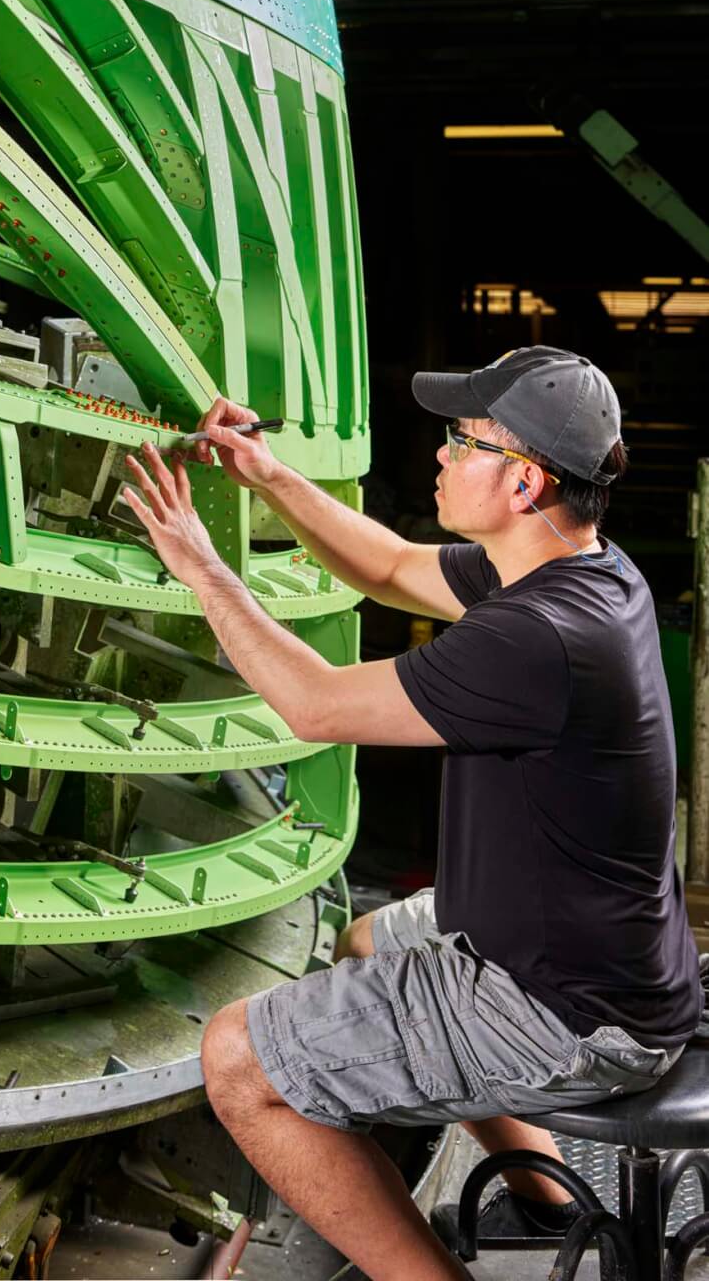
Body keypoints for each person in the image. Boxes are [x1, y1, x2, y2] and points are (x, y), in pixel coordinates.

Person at [123, 346, 698, 1281]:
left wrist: (200, 566)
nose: (437, 454)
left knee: (236, 1059)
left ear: (523, 479)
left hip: (565, 1011)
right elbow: (387, 567)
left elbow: (312, 704)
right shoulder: (580, 570)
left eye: (460, 440)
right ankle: (546, 1203)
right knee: (368, 944)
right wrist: (268, 476)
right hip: (607, 965)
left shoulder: (535, 638)